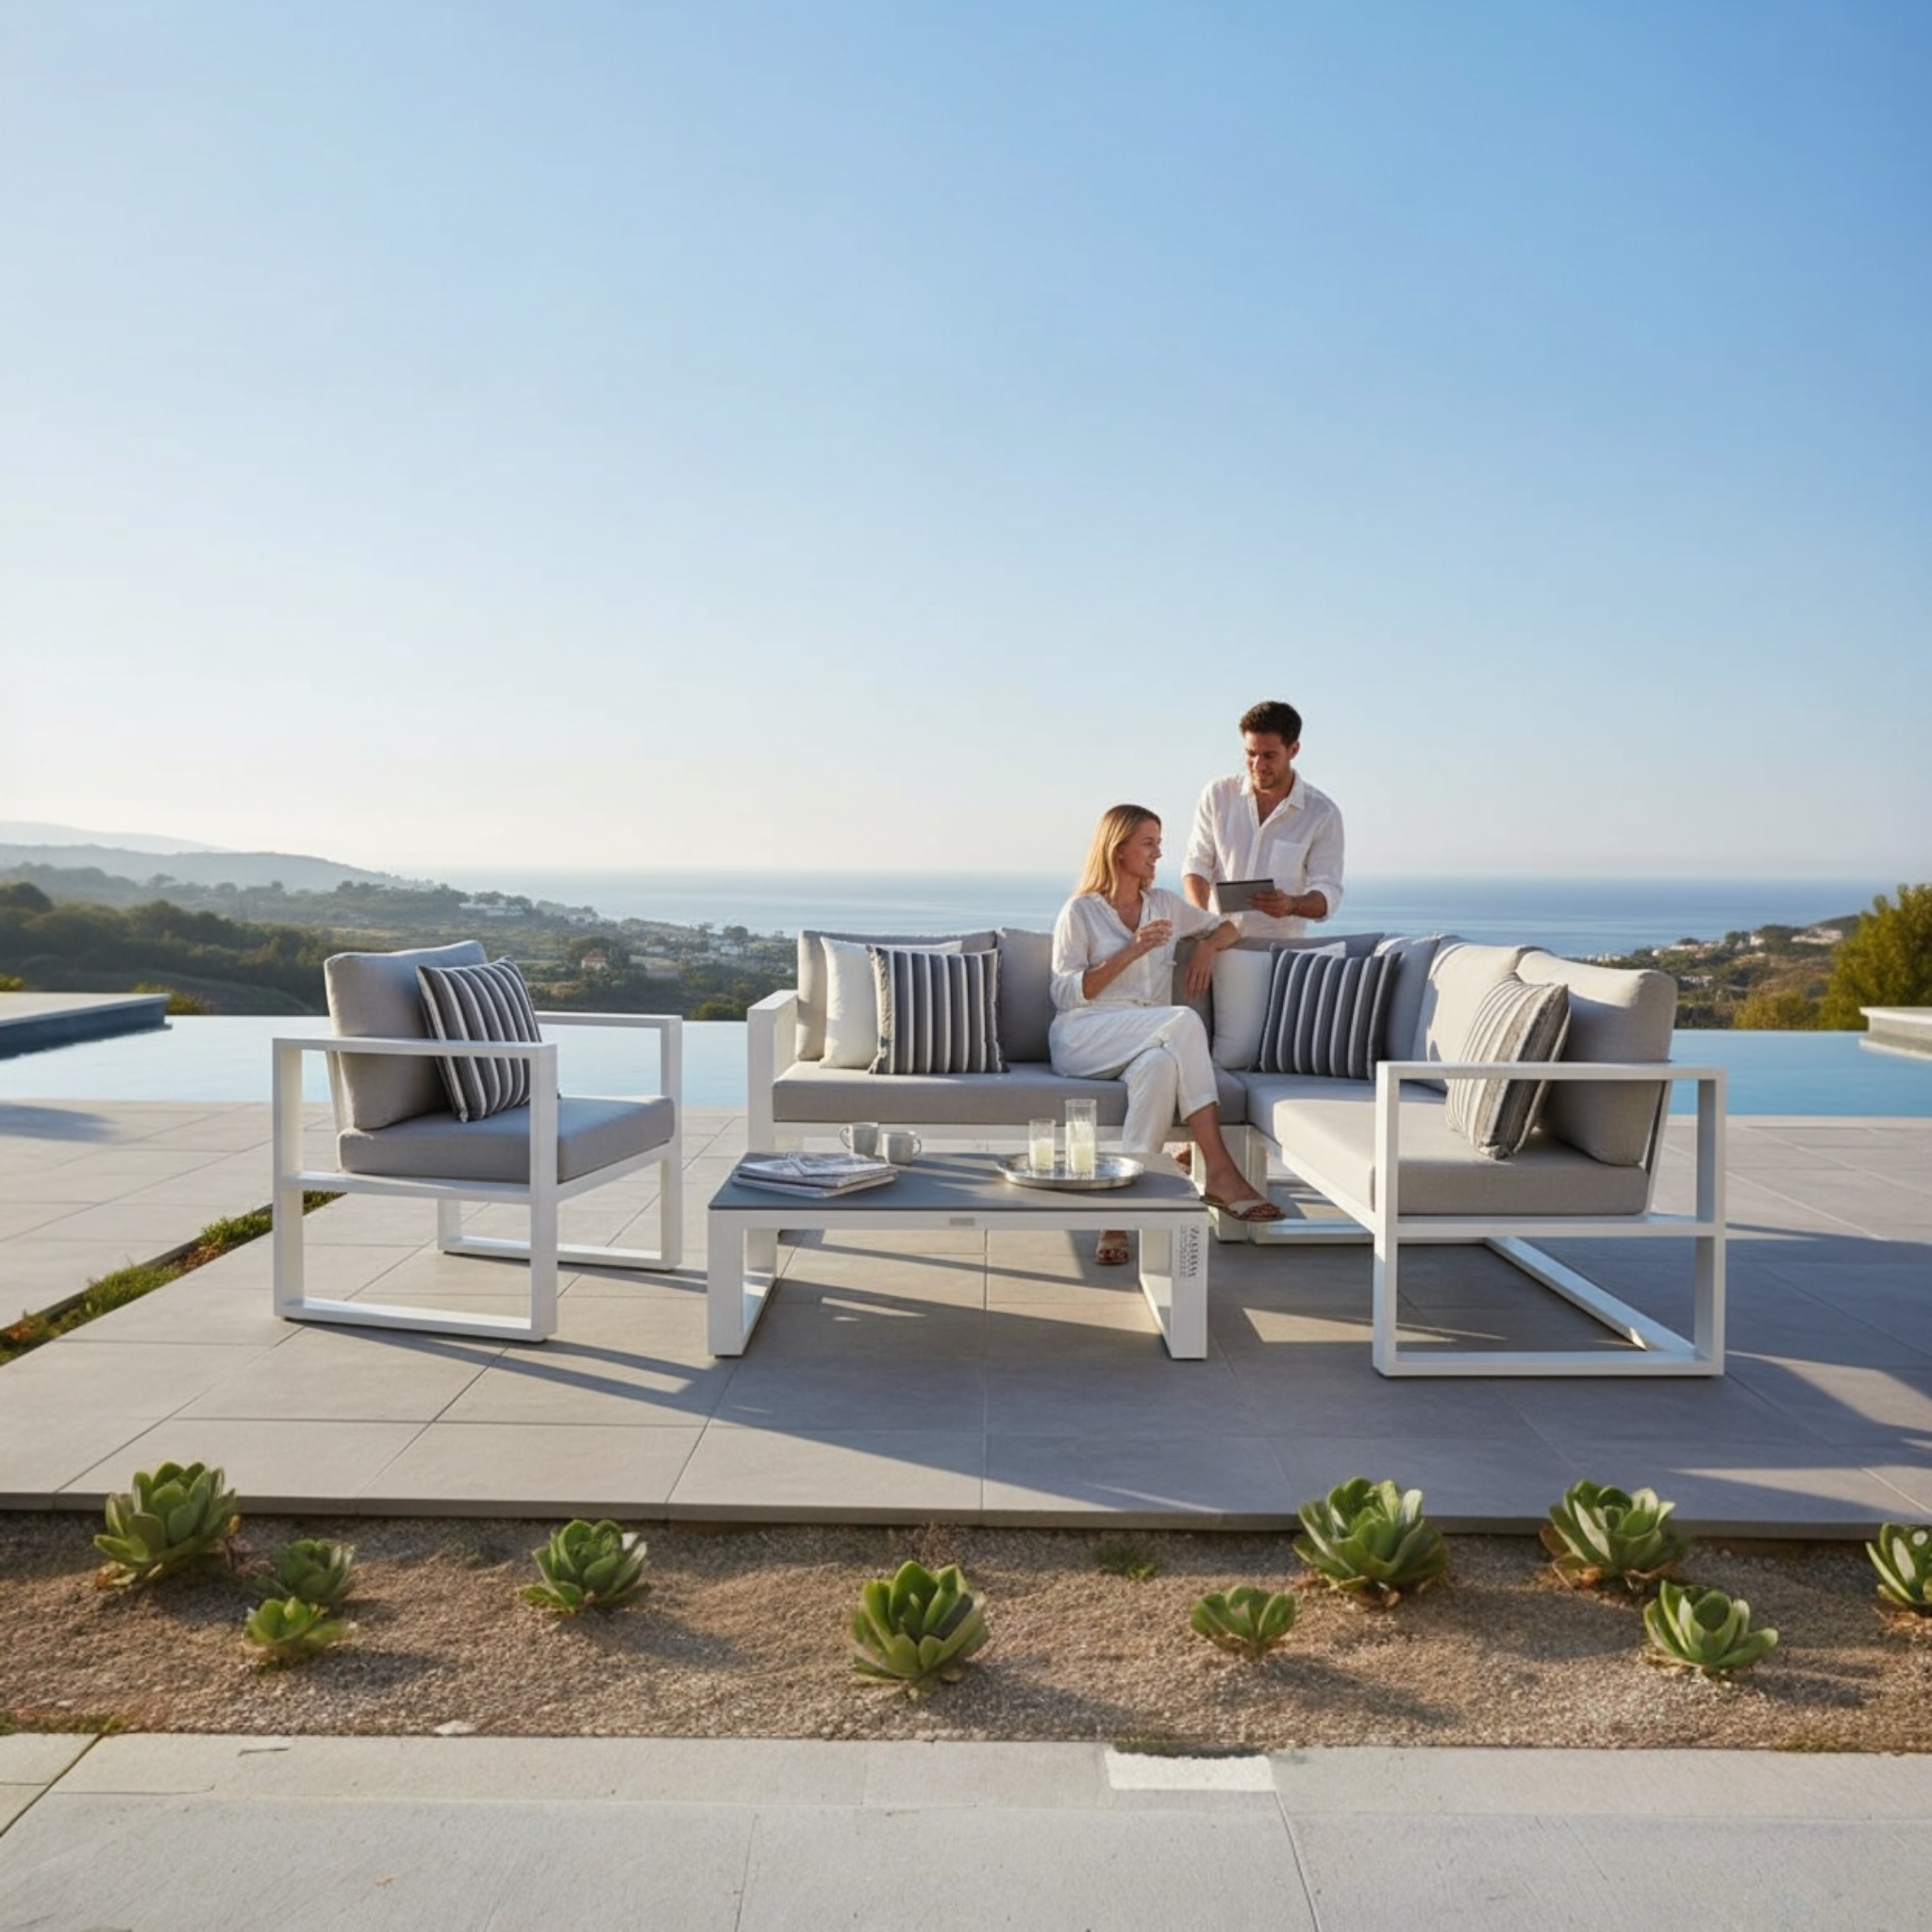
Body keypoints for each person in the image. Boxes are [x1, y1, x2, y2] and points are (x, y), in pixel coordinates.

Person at [1049, 804, 1284, 1263]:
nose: (1159, 853)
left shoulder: (1166, 905)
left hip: (1149, 1041)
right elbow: (1065, 993)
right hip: (1085, 1035)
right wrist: (1131, 952)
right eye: (1148, 843)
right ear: (1118, 851)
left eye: (1159, 842)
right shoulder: (1080, 912)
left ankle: (1116, 1219)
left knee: (1158, 1070)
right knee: (1182, 1020)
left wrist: (1206, 951)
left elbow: (1228, 926)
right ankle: (1218, 1167)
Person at [1182, 699, 1343, 941]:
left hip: (1279, 955)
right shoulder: (1217, 794)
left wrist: (1291, 904)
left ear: (1294, 750)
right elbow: (1197, 866)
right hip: (1218, 948)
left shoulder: (1322, 813)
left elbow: (1327, 891)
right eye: (1250, 754)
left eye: (1269, 756)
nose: (1258, 765)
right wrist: (1205, 927)